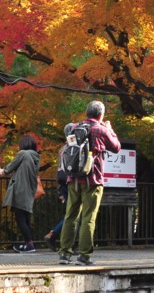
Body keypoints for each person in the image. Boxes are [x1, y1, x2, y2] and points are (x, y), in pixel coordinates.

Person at [59, 100, 121, 266]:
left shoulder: (73, 128)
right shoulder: (101, 130)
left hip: (73, 178)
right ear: (101, 115)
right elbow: (116, 147)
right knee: (88, 217)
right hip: (93, 179)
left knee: (70, 216)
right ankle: (84, 255)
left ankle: (64, 254)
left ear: (87, 113)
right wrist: (110, 129)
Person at [0, 135, 41, 253]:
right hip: (30, 190)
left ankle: (29, 244)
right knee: (26, 218)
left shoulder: (23, 154)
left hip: (20, 190)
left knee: (20, 218)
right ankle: (27, 244)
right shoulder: (36, 157)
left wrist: (3, 171)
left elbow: (9, 168)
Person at [44, 143, 69, 251]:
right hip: (72, 183)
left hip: (63, 183)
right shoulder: (74, 147)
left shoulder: (62, 149)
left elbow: (59, 170)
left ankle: (53, 235)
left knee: (71, 214)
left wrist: (60, 191)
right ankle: (54, 235)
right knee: (74, 215)